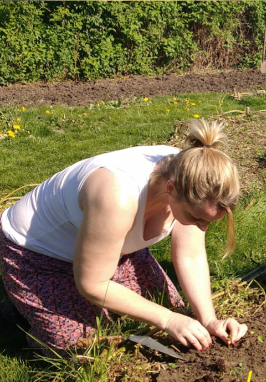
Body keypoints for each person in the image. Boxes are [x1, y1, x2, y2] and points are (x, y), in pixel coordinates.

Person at [0, 119, 248, 355]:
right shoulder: (117, 195)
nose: (202, 227)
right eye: (197, 219)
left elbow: (190, 255)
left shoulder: (191, 170)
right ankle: (22, 313)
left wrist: (209, 319)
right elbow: (92, 283)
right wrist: (168, 319)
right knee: (89, 347)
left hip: (111, 248)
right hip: (37, 257)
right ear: (171, 190)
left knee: (167, 311)